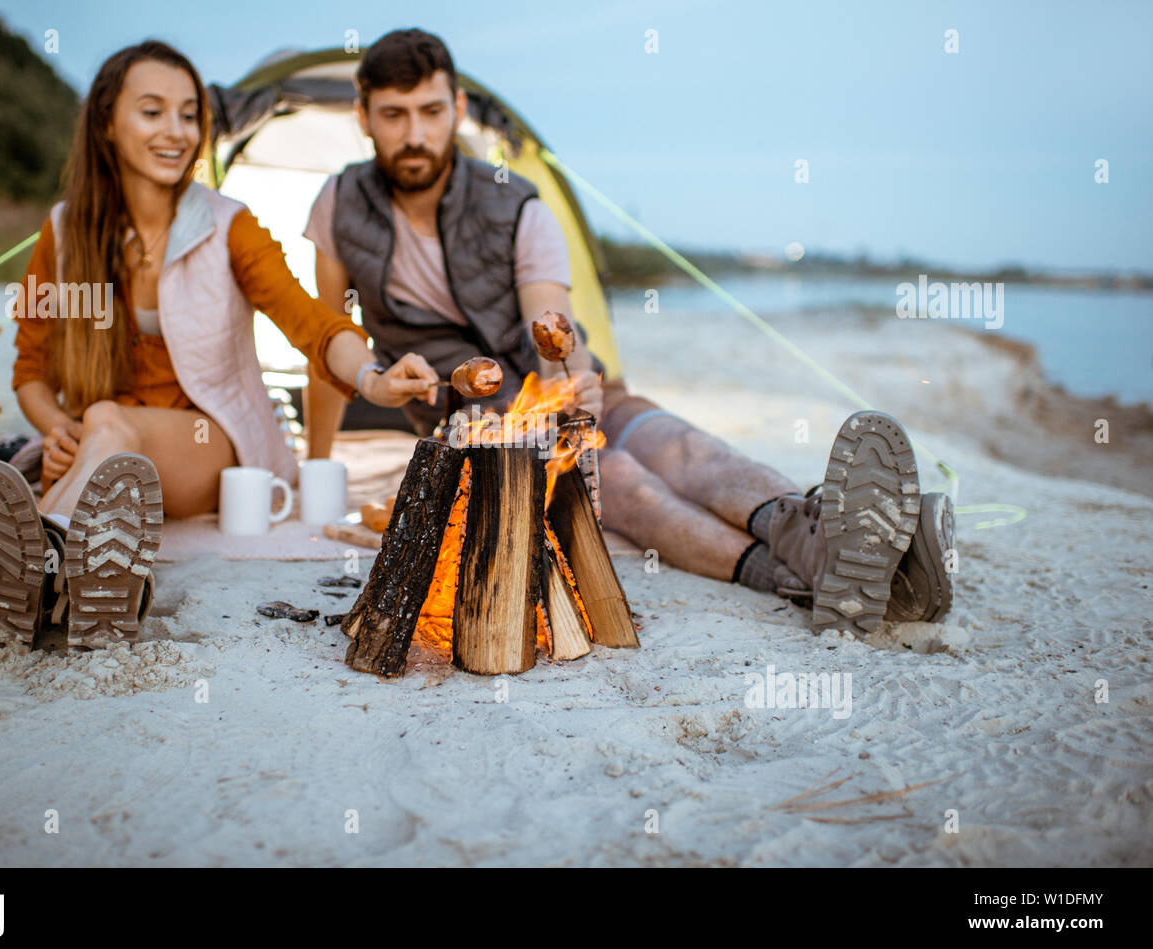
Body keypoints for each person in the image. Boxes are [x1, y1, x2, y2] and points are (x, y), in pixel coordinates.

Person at [301, 29, 955, 637]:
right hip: (482, 431)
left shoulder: (515, 203)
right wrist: (315, 466)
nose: (415, 134)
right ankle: (852, 567)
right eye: (394, 115)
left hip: (567, 389)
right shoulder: (339, 204)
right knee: (621, 479)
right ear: (362, 116)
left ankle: (813, 534)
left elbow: (550, 320)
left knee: (683, 448)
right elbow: (330, 340)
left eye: (431, 111)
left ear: (458, 108)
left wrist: (571, 377)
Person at [0, 40, 440, 651]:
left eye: (189, 114)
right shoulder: (63, 231)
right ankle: (77, 583)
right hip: (107, 449)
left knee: (105, 419)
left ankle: (42, 560)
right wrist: (57, 431)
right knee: (103, 428)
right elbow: (29, 368)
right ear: (106, 123)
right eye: (153, 111)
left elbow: (310, 323)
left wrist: (372, 378)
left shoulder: (228, 225)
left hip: (214, 448)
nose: (177, 131)